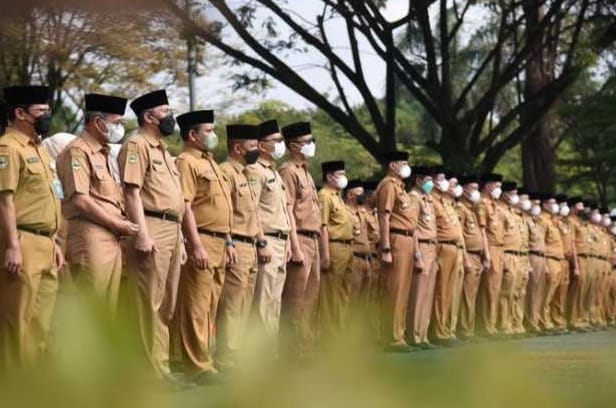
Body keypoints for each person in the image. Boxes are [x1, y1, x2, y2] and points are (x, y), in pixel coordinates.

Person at [118, 89, 186, 383]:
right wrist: (142, 234)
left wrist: (181, 239)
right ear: (148, 117)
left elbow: (178, 201)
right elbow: (131, 193)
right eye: (165, 111)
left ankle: (162, 366)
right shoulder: (136, 145)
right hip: (151, 226)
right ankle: (150, 371)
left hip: (172, 229)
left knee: (167, 303)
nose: (170, 117)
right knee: (149, 302)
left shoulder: (163, 151)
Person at [0, 85, 64, 368]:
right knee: (18, 318)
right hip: (22, 240)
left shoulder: (39, 149)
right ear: (20, 113)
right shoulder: (8, 148)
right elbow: (5, 200)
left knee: (42, 319)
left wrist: (55, 243)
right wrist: (13, 246)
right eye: (41, 111)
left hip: (46, 243)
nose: (46, 116)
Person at [56, 94, 138, 310]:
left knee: (108, 311)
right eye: (116, 123)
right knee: (92, 308)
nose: (120, 128)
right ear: (97, 122)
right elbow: (80, 200)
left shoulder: (105, 154)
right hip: (90, 236)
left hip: (112, 237)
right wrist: (116, 223)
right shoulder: (77, 151)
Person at [172, 109, 233, 382]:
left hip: (220, 241)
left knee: (209, 307)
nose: (213, 134)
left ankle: (204, 358)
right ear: (192, 135)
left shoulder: (210, 163)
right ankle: (197, 365)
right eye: (207, 130)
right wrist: (194, 244)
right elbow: (185, 205)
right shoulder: (186, 161)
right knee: (196, 306)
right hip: (203, 238)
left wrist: (229, 241)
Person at [216, 124, 270, 368]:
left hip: (251, 245)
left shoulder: (248, 174)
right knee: (232, 303)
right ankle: (226, 355)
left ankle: (237, 352)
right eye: (252, 147)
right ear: (237, 148)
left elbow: (254, 213)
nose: (257, 150)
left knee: (245, 302)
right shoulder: (225, 172)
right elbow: (224, 212)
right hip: (236, 243)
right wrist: (228, 242)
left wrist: (261, 242)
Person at [278, 122, 321, 360]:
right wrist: (294, 246)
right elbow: (289, 210)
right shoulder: (288, 171)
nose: (310, 145)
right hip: (300, 238)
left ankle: (306, 349)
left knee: (310, 299)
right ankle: (290, 352)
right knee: (294, 299)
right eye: (306, 142)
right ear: (293, 146)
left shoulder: (305, 171)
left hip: (312, 238)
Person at [249, 119, 290, 353]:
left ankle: (271, 352)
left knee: (275, 301)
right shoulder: (255, 171)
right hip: (268, 240)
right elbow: (252, 209)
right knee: (263, 300)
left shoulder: (274, 172)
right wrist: (261, 241)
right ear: (261, 145)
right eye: (276, 141)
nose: (280, 144)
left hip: (281, 241)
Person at [374, 151, 419, 352]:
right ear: (392, 165)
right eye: (403, 163)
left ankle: (399, 335)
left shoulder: (401, 187)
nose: (406, 166)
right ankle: (392, 337)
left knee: (403, 291)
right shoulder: (388, 186)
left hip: (408, 239)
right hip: (397, 239)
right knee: (395, 289)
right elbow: (384, 216)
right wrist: (385, 247)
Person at [318, 160, 354, 341]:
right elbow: (322, 226)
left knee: (344, 294)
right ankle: (329, 337)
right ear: (329, 176)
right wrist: (325, 254)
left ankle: (341, 334)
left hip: (347, 247)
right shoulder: (324, 195)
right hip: (334, 246)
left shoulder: (337, 196)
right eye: (340, 175)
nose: (343, 178)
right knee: (330, 295)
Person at [430, 167, 465, 346]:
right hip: (442, 248)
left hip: (455, 249)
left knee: (450, 293)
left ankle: (446, 330)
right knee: (441, 292)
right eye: (443, 179)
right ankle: (439, 331)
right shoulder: (432, 201)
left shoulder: (447, 203)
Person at [406, 166, 437, 349]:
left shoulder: (428, 200)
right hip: (422, 247)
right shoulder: (413, 198)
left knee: (428, 293)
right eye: (427, 180)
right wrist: (417, 253)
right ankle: (414, 335)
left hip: (432, 247)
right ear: (418, 180)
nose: (430, 183)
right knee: (418, 293)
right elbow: (414, 228)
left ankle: (423, 336)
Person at [455, 175, 486, 340]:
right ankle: (465, 330)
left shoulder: (472, 210)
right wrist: (466, 257)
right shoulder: (460, 208)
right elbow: (460, 235)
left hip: (476, 256)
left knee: (472, 295)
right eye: (472, 188)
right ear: (464, 189)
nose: (476, 192)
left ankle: (470, 329)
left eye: (477, 188)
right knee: (466, 296)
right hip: (468, 255)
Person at [476, 173, 505, 337]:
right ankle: (487, 327)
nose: (499, 190)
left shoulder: (495, 205)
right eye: (497, 186)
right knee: (489, 288)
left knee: (496, 288)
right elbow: (483, 231)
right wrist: (486, 254)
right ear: (488, 186)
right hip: (491, 248)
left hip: (500, 249)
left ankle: (492, 325)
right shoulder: (482, 204)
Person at [537, 194, 565, 333]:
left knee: (553, 293)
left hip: (558, 259)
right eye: (551, 203)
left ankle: (551, 320)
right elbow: (541, 241)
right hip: (550, 259)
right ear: (544, 205)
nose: (554, 206)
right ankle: (544, 321)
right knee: (546, 293)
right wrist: (545, 264)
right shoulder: (543, 219)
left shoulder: (554, 220)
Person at [499, 182, 524, 337]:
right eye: (512, 193)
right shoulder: (500, 211)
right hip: (507, 253)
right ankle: (504, 325)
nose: (515, 197)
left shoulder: (513, 213)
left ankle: (513, 324)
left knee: (515, 292)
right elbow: (498, 237)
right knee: (505, 292)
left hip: (518, 255)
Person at [553, 195, 577, 333]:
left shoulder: (566, 223)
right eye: (562, 204)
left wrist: (574, 264)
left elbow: (571, 244)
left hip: (566, 261)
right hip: (556, 258)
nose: (565, 208)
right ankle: (553, 321)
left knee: (562, 293)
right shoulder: (554, 222)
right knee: (554, 292)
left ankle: (560, 321)